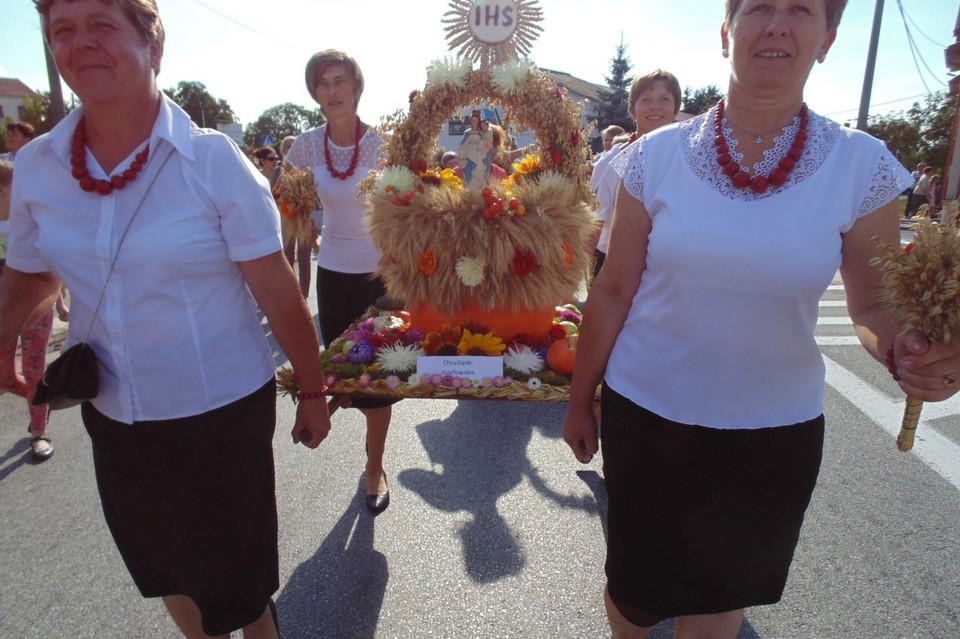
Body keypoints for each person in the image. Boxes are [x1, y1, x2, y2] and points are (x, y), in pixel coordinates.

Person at [561, 2, 960, 638]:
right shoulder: (655, 157)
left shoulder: (864, 166)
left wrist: (909, 348)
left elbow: (876, 304)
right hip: (648, 411)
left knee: (719, 600)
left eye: (800, 9)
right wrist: (581, 398)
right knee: (637, 596)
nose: (777, 24)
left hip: (771, 432)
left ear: (827, 39)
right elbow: (611, 291)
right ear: (727, 33)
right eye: (758, 7)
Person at [2, 1, 331, 637]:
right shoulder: (41, 165)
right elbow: (36, 269)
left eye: (102, 24)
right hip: (115, 416)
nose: (81, 43)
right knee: (166, 572)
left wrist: (313, 391)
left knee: (239, 585)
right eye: (62, 30)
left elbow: (277, 289)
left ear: (154, 44)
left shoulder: (213, 162)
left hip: (220, 412)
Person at [285, 49, 394, 515]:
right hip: (331, 274)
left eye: (339, 81)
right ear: (315, 93)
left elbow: (410, 204)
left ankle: (374, 467)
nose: (332, 91)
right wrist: (301, 221)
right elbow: (288, 196)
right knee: (345, 369)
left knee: (378, 381)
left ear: (355, 87)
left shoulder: (384, 146)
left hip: (379, 276)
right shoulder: (306, 146)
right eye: (322, 83)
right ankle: (333, 400)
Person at [589, 70, 682, 278]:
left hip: (665, 269)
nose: (655, 106)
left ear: (675, 107)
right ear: (633, 107)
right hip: (612, 263)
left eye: (664, 99)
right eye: (646, 99)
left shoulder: (685, 161)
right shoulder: (616, 159)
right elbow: (596, 218)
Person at [0, 159, 57, 461]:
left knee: (34, 370)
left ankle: (39, 430)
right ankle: (44, 402)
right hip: (3, 311)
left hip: (36, 307)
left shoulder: (28, 219)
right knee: (4, 375)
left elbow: (48, 270)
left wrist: (60, 303)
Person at [276, 135, 313, 299]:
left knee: (305, 259)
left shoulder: (308, 170)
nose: (291, 149)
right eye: (288, 147)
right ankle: (290, 296)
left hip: (305, 217)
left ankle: (303, 297)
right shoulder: (279, 170)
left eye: (294, 146)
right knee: (288, 257)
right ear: (283, 150)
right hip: (286, 217)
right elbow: (273, 193)